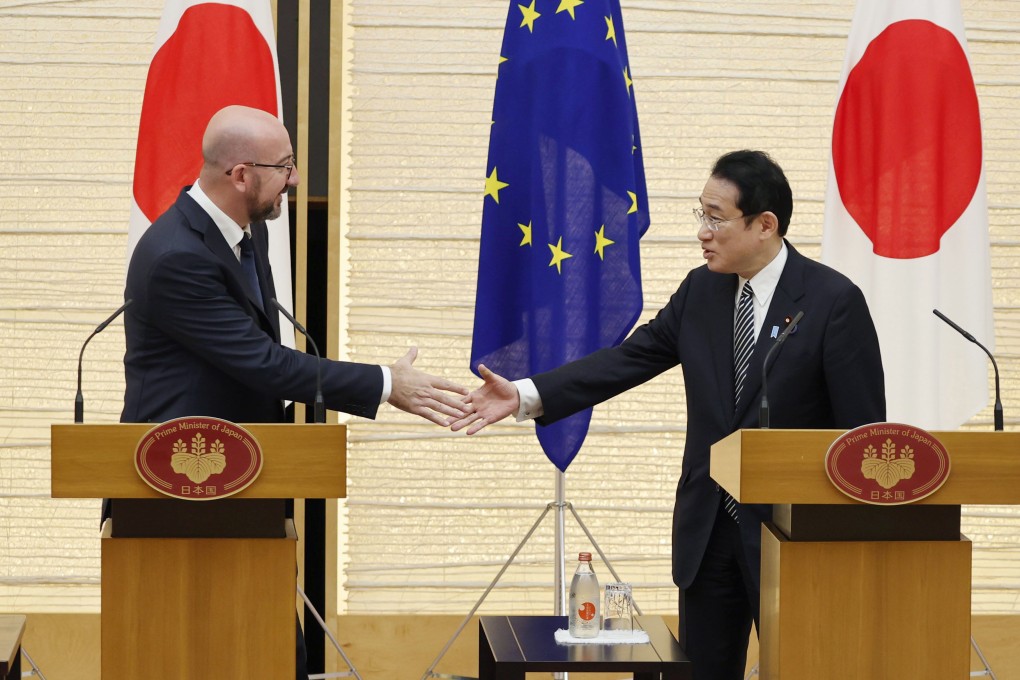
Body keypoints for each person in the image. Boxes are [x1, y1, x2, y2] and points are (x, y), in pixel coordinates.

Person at [452, 150, 885, 680]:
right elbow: (629, 359)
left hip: (792, 542)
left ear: (765, 225)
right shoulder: (701, 291)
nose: (703, 232)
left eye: (716, 217)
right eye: (700, 214)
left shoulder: (832, 301)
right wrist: (525, 395)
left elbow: (861, 439)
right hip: (709, 535)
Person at [121, 105, 468, 679]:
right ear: (241, 174)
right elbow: (262, 363)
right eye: (285, 166)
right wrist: (384, 384)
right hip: (180, 504)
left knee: (271, 655)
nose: (297, 179)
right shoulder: (178, 256)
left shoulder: (239, 233)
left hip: (241, 495)